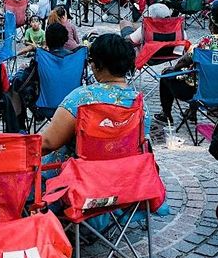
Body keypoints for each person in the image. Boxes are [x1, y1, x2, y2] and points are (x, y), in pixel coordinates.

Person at [39, 34, 145, 165]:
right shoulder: (140, 105)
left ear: (97, 65)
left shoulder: (82, 98)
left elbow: (48, 142)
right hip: (124, 176)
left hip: (81, 178)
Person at [158, 4, 218, 124]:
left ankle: (166, 116)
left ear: (211, 23)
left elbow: (182, 63)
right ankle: (192, 113)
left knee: (167, 74)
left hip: (201, 92)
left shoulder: (205, 42)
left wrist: (179, 68)